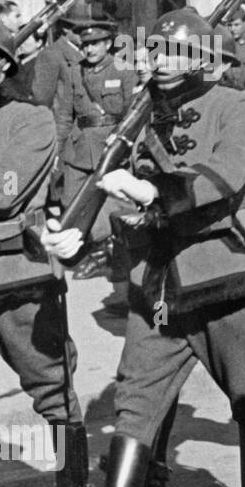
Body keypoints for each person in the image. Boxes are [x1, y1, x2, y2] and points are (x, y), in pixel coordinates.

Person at [50, 7, 245, 487]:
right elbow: (111, 188)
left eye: (176, 52)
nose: (161, 62)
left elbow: (228, 175)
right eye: (155, 51)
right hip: (159, 282)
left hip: (228, 275)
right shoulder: (141, 115)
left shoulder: (237, 105)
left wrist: (155, 194)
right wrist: (78, 235)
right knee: (134, 402)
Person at [0, 15, 87, 487]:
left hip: (19, 277)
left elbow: (1, 191)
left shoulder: (30, 120)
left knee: (50, 387)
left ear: (5, 63)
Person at [52, 15, 138, 306]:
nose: (88, 50)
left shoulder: (123, 67)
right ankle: (89, 251)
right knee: (73, 205)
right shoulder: (73, 71)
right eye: (85, 44)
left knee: (114, 205)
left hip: (113, 145)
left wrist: (128, 147)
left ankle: (108, 255)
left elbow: (134, 112)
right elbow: (65, 115)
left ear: (107, 43)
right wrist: (58, 151)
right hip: (80, 147)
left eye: (94, 44)